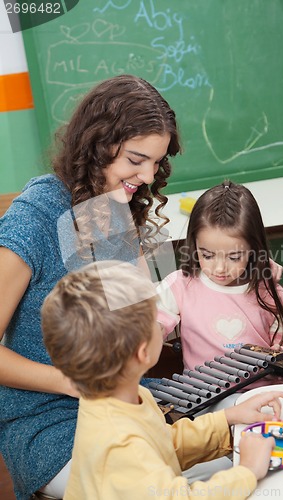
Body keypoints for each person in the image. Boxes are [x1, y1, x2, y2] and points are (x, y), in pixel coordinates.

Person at [0, 74, 181, 500]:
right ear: (98, 143)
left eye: (156, 163)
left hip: (119, 401)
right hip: (48, 420)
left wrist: (156, 320)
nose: (149, 176)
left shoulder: (115, 204)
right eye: (137, 160)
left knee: (227, 441)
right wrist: (70, 381)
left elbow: (140, 313)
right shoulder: (33, 219)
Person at [41, 259, 283, 500]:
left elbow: (165, 442)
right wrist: (247, 471)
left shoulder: (119, 397)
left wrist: (227, 420)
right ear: (143, 352)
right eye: (155, 321)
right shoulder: (121, 446)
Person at [157, 180, 283, 400]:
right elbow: (146, 330)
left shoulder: (271, 293)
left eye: (234, 257)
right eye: (207, 255)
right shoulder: (180, 286)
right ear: (194, 244)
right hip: (202, 398)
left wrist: (281, 359)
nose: (219, 268)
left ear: (253, 250)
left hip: (259, 396)